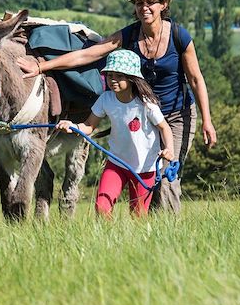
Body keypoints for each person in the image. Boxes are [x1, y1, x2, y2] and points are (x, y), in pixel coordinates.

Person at [18, 0, 217, 214]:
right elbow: (88, 54)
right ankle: (147, 231)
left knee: (166, 179)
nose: (145, 8)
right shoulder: (130, 35)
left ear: (163, 4)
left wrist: (207, 120)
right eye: (139, 3)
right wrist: (41, 67)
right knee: (146, 177)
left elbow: (195, 79)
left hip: (175, 116)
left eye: (151, 2)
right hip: (141, 115)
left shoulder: (179, 36)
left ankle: (168, 232)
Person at [56, 50, 175, 217]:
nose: (112, 80)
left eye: (119, 76)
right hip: (117, 163)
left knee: (138, 214)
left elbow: (164, 127)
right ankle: (108, 241)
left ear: (132, 78)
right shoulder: (106, 99)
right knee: (102, 206)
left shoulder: (146, 104)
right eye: (109, 75)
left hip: (145, 167)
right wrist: (73, 126)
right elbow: (89, 125)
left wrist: (169, 149)